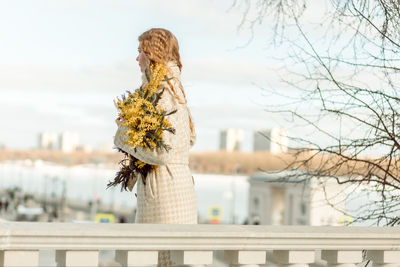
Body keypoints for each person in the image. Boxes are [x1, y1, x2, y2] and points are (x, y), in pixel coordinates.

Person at [113, 28, 198, 266]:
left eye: (140, 51)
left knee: (162, 260)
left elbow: (162, 152)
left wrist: (124, 135)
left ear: (153, 54)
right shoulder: (172, 90)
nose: (137, 58)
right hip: (171, 188)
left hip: (166, 195)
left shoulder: (164, 92)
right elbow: (189, 138)